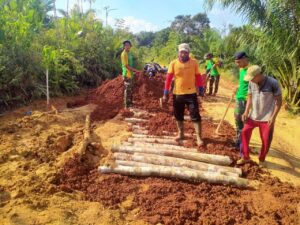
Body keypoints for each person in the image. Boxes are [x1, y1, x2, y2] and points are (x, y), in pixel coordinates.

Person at [236, 65, 282, 166]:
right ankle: (245, 157)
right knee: (244, 132)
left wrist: (273, 117)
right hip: (253, 116)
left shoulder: (273, 83)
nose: (250, 80)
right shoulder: (251, 83)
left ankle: (262, 160)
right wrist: (246, 111)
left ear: (259, 75)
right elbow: (249, 97)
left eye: (252, 78)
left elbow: (279, 101)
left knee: (266, 140)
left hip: (267, 117)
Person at [162, 43, 204, 146]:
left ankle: (198, 137)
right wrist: (165, 93)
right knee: (178, 115)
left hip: (191, 94)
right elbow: (168, 79)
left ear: (188, 53)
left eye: (185, 52)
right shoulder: (173, 63)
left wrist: (201, 88)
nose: (183, 54)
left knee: (195, 115)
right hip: (178, 94)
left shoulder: (194, 63)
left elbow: (198, 76)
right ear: (178, 52)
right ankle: (181, 133)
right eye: (181, 52)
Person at [233, 51, 250, 153]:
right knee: (237, 119)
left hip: (245, 99)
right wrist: (237, 87)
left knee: (242, 120)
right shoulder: (241, 69)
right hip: (239, 98)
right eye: (236, 62)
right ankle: (239, 140)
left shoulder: (251, 71)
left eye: (238, 62)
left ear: (245, 59)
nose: (237, 64)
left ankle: (241, 143)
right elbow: (242, 83)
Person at [121, 40, 142, 108]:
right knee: (127, 89)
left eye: (129, 45)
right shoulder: (124, 54)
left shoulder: (129, 54)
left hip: (131, 74)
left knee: (131, 89)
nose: (127, 46)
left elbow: (131, 63)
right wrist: (136, 70)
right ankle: (126, 105)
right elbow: (126, 66)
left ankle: (130, 103)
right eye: (126, 45)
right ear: (124, 46)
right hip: (127, 74)